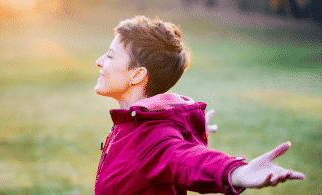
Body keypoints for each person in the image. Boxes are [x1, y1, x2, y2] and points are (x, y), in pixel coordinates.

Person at [94, 15, 305, 195]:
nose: (100, 61)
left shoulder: (149, 137)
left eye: (111, 55)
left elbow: (187, 160)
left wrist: (236, 172)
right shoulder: (136, 122)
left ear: (138, 74)